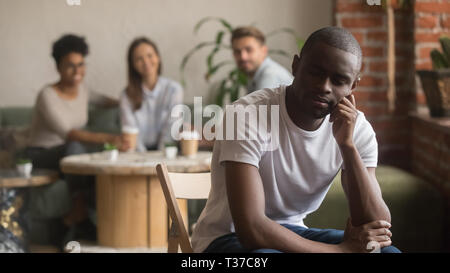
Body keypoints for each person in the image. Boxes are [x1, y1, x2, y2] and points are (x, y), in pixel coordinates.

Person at [191, 26, 400, 253]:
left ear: (353, 86)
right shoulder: (248, 115)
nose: (324, 87)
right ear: (296, 66)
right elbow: (251, 230)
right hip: (226, 238)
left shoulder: (357, 129)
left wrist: (347, 147)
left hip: (292, 231)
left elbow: (378, 224)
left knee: (383, 251)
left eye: (339, 80)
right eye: (315, 73)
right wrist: (340, 251)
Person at [26, 34, 124, 247]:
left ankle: (75, 219)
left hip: (71, 154)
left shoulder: (83, 91)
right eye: (70, 66)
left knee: (93, 163)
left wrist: (131, 100)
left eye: (81, 65)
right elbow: (68, 133)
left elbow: (107, 101)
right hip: (42, 154)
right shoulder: (47, 95)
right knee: (76, 147)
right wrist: (111, 139)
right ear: (58, 67)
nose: (77, 71)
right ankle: (79, 214)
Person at [119, 37, 183, 151]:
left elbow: (171, 128)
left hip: (166, 152)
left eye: (150, 56)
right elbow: (131, 132)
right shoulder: (126, 95)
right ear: (133, 65)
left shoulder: (174, 90)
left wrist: (160, 158)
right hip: (138, 153)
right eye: (139, 59)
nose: (146, 62)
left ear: (158, 57)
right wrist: (144, 158)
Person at [231, 26, 293, 94]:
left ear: (264, 51)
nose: (243, 57)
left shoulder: (270, 75)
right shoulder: (254, 76)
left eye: (249, 50)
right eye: (237, 51)